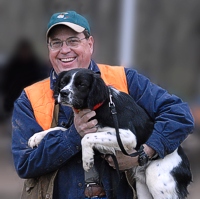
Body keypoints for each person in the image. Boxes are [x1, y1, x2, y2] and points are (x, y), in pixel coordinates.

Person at [12, 11, 194, 199]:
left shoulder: (125, 80)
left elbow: (180, 115)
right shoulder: (30, 98)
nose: (64, 50)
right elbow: (25, 164)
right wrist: (73, 136)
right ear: (48, 49)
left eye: (73, 41)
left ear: (90, 44)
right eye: (56, 43)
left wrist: (143, 154)